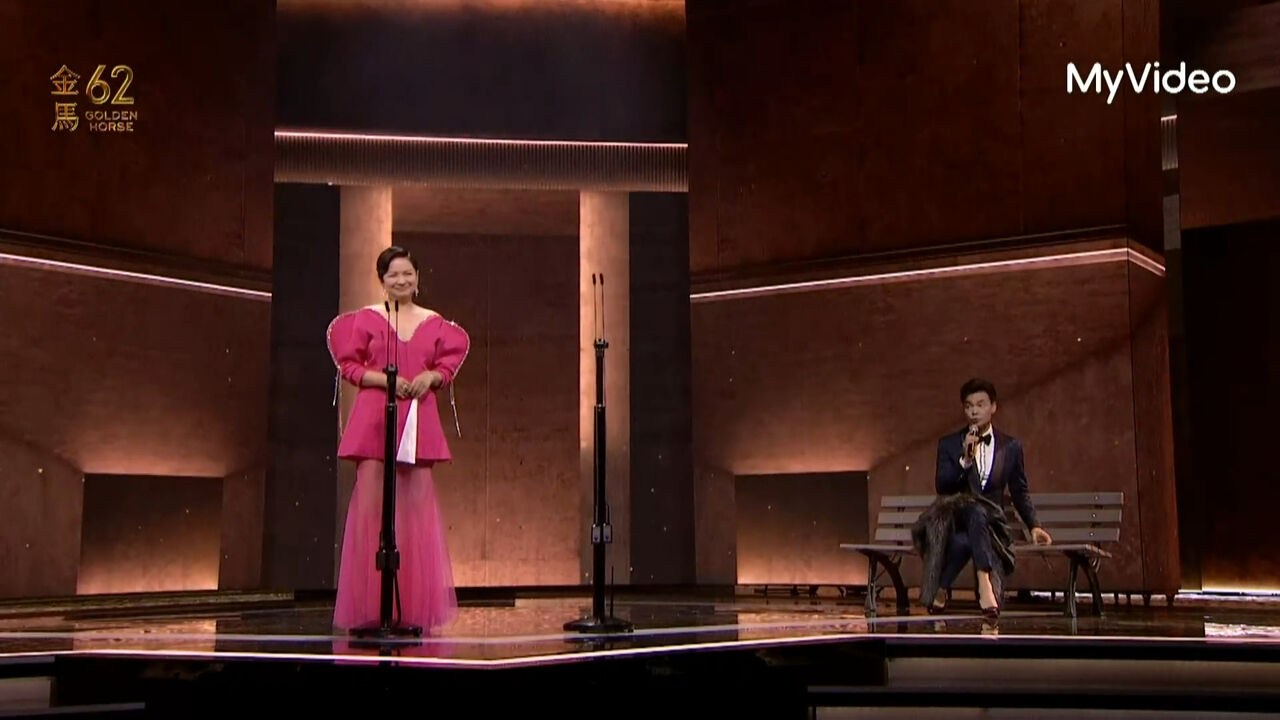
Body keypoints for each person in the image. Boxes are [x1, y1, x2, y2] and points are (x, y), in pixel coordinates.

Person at [325, 245, 470, 633]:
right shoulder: (368, 318)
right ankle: (371, 608)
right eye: (393, 275)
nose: (401, 280)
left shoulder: (434, 322)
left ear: (418, 278)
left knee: (418, 510)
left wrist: (431, 377)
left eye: (408, 274)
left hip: (418, 419)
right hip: (376, 416)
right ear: (382, 280)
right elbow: (349, 366)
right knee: (371, 509)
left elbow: (446, 367)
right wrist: (384, 380)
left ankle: (414, 609)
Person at [912, 378, 1052, 619]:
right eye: (968, 406)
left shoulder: (1011, 446)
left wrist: (1034, 525)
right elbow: (942, 486)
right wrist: (965, 461)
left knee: (968, 537)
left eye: (980, 405)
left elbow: (1019, 491)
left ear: (993, 407)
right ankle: (984, 582)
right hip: (956, 519)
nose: (974, 412)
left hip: (991, 524)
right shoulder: (949, 444)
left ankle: (942, 586)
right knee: (973, 511)